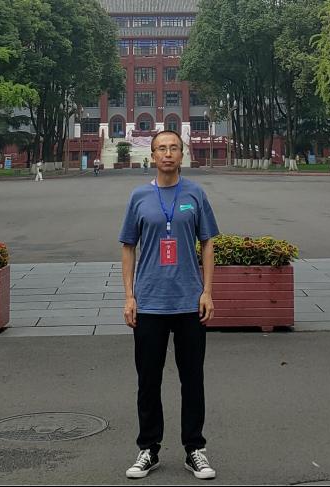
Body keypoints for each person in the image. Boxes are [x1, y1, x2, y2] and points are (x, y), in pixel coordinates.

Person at [119, 130, 220, 480]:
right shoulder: (139, 197)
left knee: (192, 379)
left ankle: (195, 449)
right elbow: (128, 246)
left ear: (182, 154)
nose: (167, 154)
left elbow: (207, 243)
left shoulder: (195, 193)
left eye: (173, 148)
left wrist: (207, 292)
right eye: (161, 148)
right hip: (149, 302)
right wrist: (129, 296)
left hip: (189, 301)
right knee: (148, 380)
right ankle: (148, 448)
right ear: (152, 156)